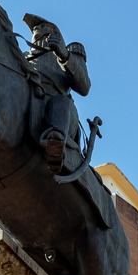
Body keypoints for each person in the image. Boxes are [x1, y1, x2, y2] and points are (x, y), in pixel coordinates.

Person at [22, 13, 90, 172]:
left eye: (42, 26)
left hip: (60, 110)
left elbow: (84, 87)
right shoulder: (22, 56)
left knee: (60, 102)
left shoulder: (67, 52)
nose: (36, 29)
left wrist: (64, 54)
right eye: (34, 28)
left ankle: (55, 143)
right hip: (31, 100)